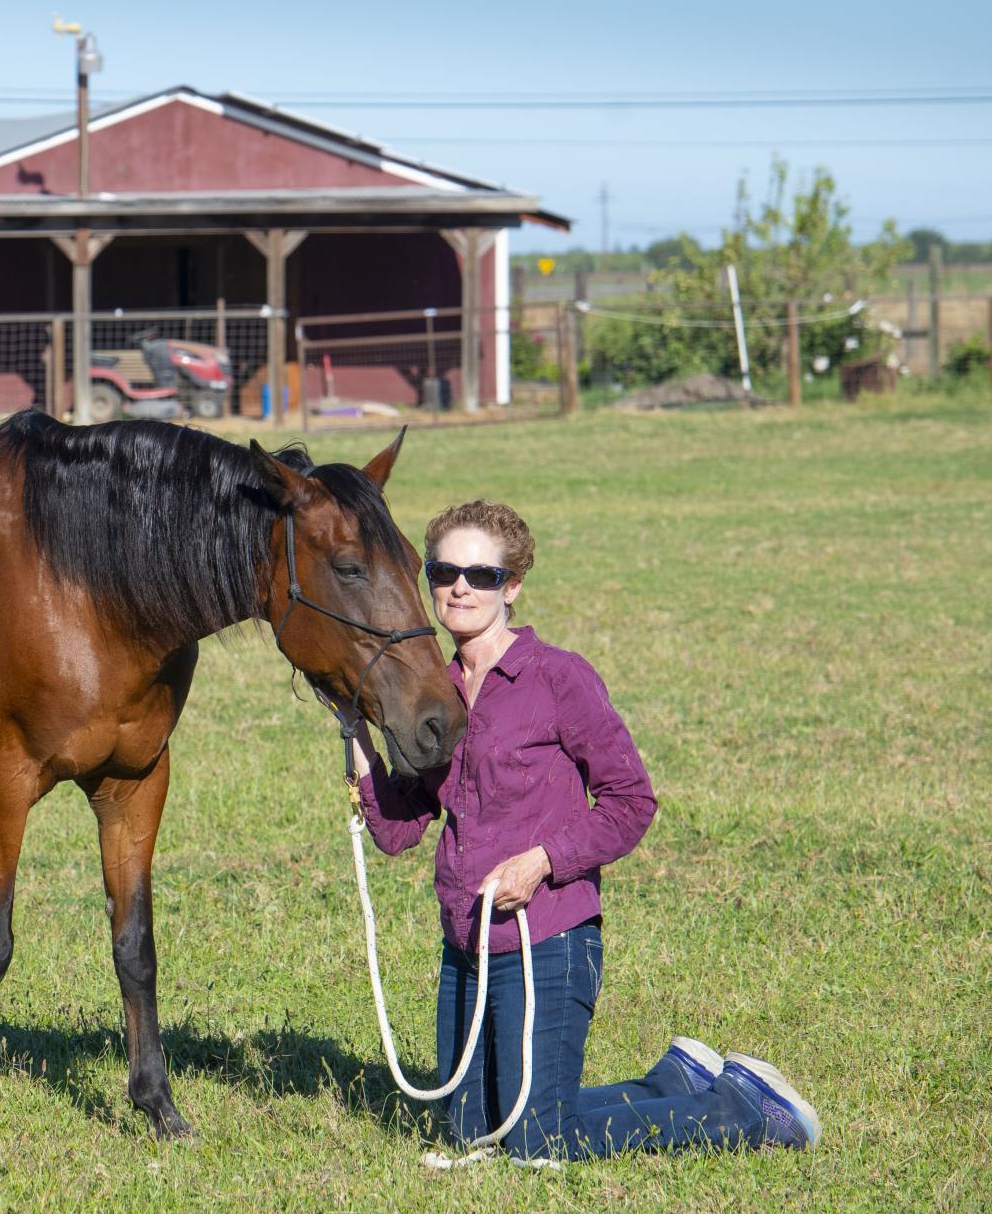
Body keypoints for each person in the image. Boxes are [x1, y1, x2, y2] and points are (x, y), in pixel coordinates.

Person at [341, 498, 821, 1163]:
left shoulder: (558, 677)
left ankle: (744, 1110)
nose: (458, 586)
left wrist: (541, 860)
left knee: (539, 1137)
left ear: (512, 586)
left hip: (550, 938)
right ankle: (671, 1081)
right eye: (444, 570)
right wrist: (356, 738)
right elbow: (399, 831)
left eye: (480, 575)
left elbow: (631, 800)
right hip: (468, 945)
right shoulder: (436, 693)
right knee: (475, 1131)